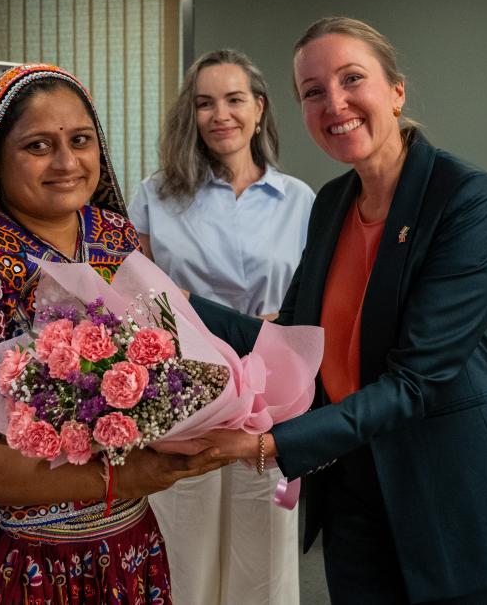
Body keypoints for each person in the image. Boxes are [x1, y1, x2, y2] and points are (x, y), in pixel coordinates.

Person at [187, 18, 487, 604]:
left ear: (396, 91)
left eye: (351, 78)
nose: (333, 103)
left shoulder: (464, 196)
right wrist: (180, 308)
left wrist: (272, 447)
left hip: (455, 498)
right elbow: (293, 340)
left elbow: (416, 382)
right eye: (313, 92)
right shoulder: (333, 202)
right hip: (356, 492)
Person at [0, 64, 224, 604]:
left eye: (81, 141)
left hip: (127, 549)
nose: (67, 162)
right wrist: (115, 479)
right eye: (38, 146)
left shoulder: (116, 236)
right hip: (13, 561)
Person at [128, 49, 313, 604]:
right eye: (204, 103)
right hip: (183, 390)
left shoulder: (300, 200)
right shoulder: (156, 195)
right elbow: (136, 292)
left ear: (259, 109)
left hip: (272, 391)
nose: (220, 115)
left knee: (263, 536)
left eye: (234, 100)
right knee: (181, 529)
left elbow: (311, 300)